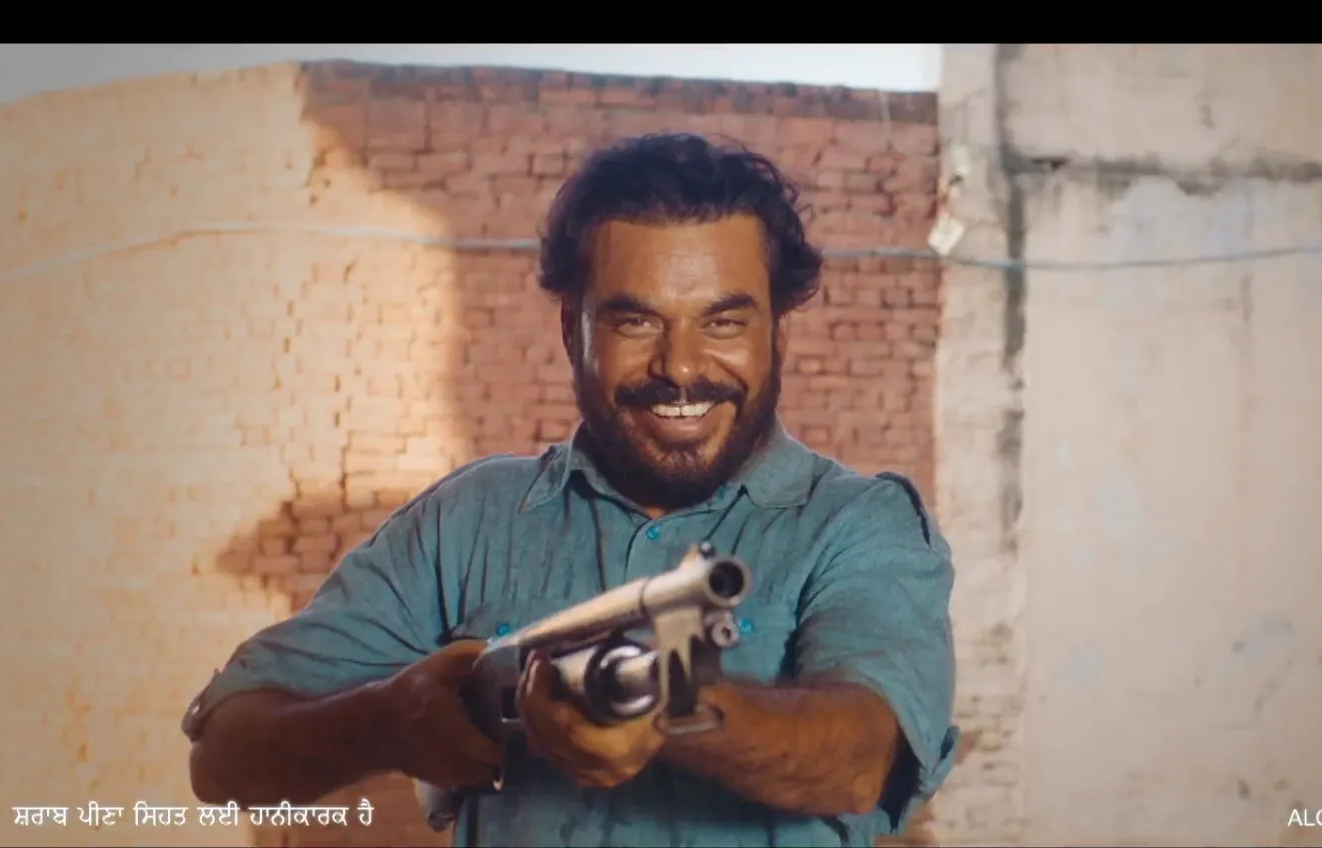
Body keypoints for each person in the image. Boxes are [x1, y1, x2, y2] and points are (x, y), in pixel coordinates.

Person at [183, 133, 960, 847]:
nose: (681, 366)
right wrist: (386, 723)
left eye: (723, 323)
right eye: (635, 323)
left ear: (777, 333)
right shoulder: (470, 520)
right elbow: (223, 759)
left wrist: (671, 711)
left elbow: (858, 756)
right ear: (571, 331)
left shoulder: (861, 524)